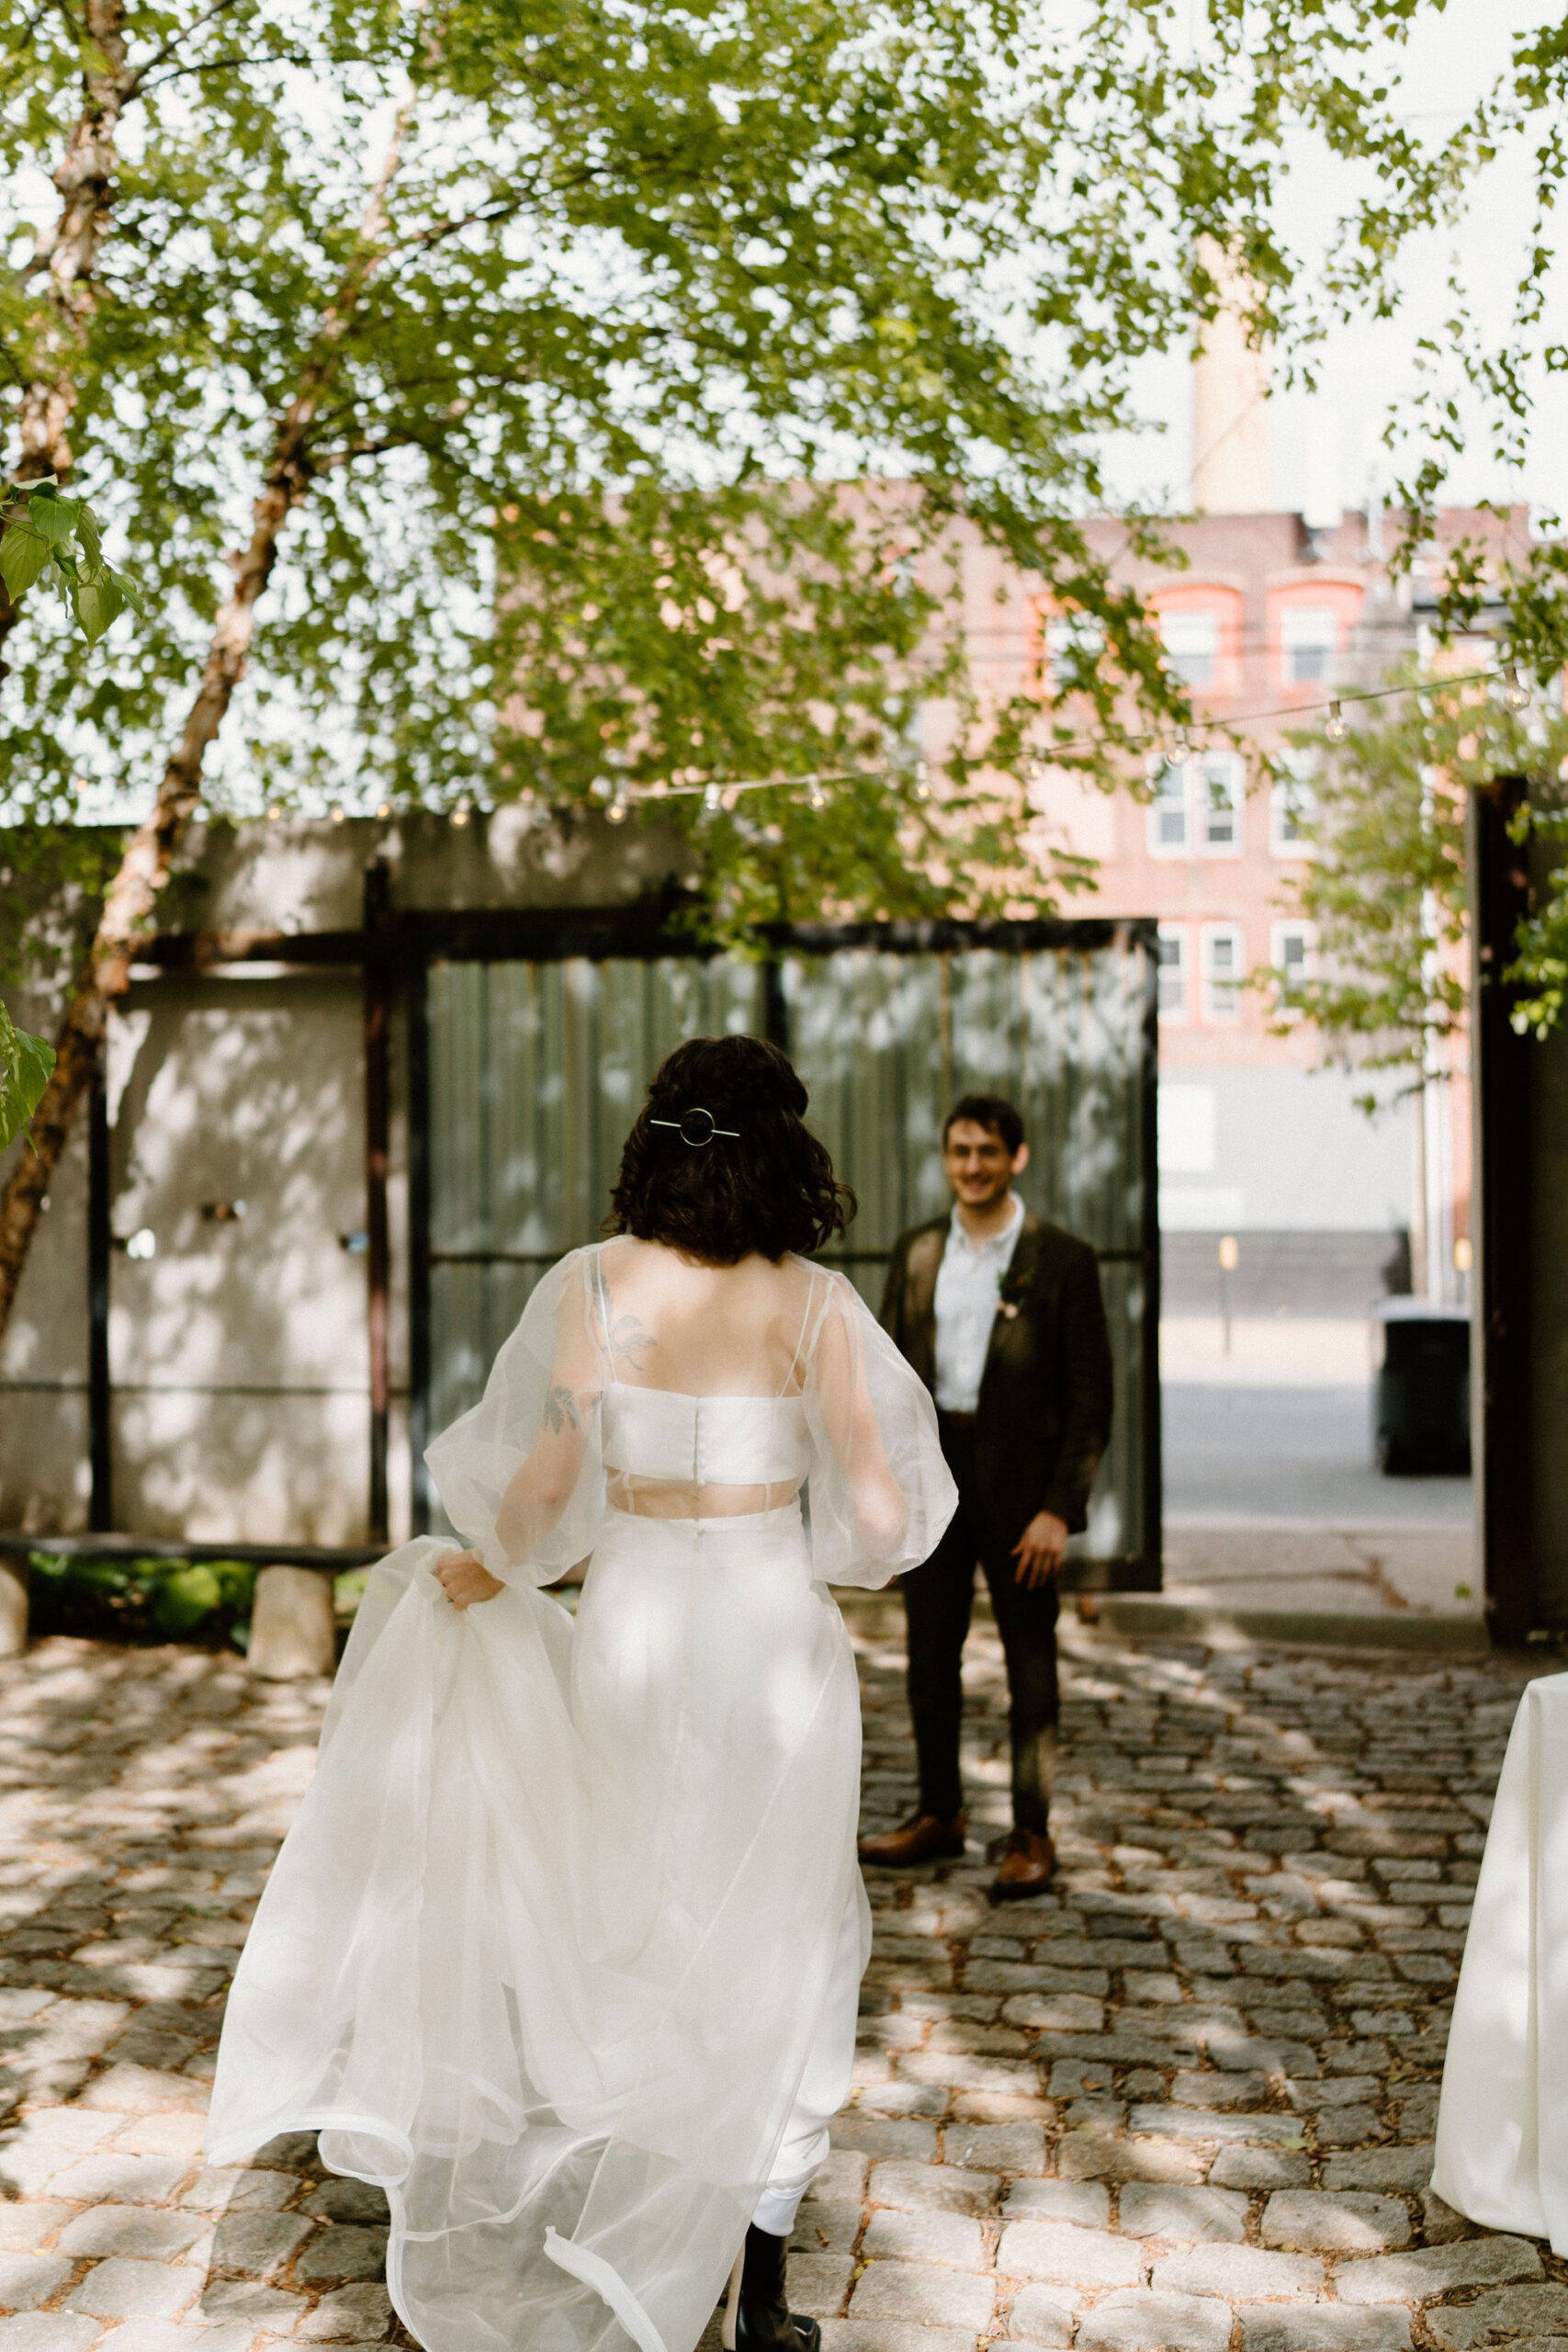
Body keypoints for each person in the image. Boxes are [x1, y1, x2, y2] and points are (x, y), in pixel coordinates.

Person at [205, 1035, 956, 2352]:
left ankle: (607, 2222)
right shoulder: (820, 1308)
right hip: (773, 1642)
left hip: (637, 1627)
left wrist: (487, 1570)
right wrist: (803, 1540)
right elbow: (883, 1516)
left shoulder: (591, 1289)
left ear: (652, 1146)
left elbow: (545, 1493)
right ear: (787, 1152)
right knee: (787, 1937)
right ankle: (759, 2305)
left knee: (636, 1919)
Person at [858, 1092, 1112, 1902]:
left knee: (1027, 1663)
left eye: (987, 1153)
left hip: (1021, 1487)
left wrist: (1058, 1510)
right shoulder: (917, 1252)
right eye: (959, 1151)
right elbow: (889, 1384)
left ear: (1017, 1159)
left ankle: (1031, 1834)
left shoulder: (1061, 1259)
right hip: (934, 1479)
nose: (972, 1167)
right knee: (928, 1658)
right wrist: (890, 1497)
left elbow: (1091, 1396)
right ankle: (940, 1814)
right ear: (946, 1159)